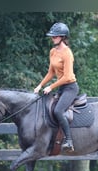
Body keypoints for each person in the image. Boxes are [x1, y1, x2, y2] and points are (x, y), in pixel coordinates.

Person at [34, 22, 79, 152]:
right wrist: (40, 85)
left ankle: (69, 141)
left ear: (62, 37)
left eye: (55, 37)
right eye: (52, 37)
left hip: (70, 87)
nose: (52, 38)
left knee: (58, 111)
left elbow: (67, 76)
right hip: (61, 88)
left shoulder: (67, 53)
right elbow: (51, 72)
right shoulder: (53, 51)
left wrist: (50, 87)